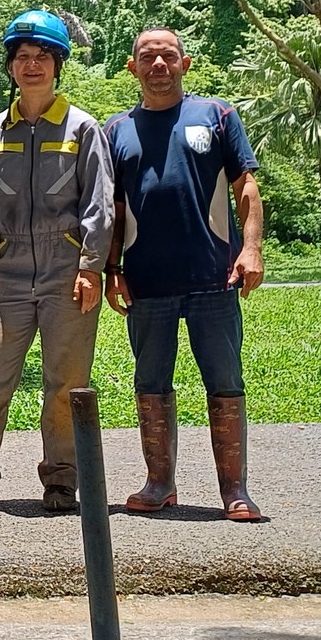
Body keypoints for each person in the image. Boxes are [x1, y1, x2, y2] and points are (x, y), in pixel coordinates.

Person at [0, 10, 113, 513]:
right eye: (22, 57)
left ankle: (61, 480)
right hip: (9, 275)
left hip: (66, 271)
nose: (32, 65)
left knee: (66, 381)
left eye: (42, 57)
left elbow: (100, 203)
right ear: (11, 67)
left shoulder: (83, 128)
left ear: (58, 64)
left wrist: (90, 267)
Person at [105, 27, 266, 521]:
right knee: (151, 382)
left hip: (212, 277)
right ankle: (159, 483)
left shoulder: (216, 115)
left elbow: (247, 188)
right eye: (148, 57)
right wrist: (112, 268)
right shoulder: (115, 129)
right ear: (132, 68)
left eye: (168, 56)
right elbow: (112, 207)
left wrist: (252, 249)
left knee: (224, 381)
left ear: (185, 64)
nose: (158, 64)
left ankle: (234, 490)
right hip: (147, 281)